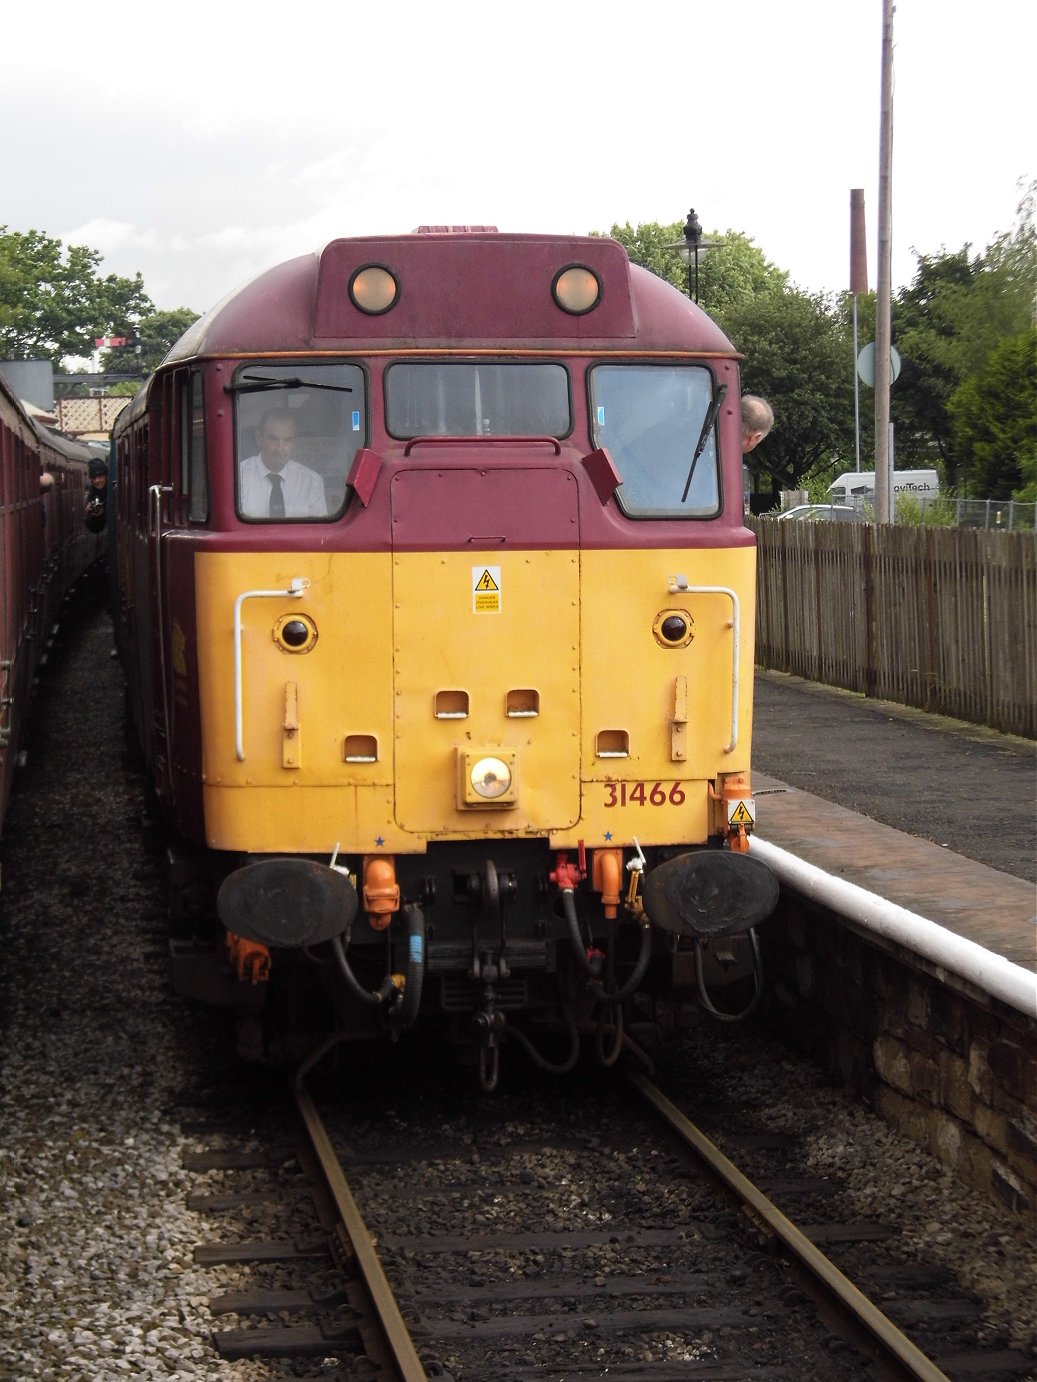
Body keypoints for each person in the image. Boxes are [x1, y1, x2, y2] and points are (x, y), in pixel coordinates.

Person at [239, 409, 327, 519]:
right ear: (259, 438)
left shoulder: (311, 481)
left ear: (294, 442)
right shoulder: (239, 478)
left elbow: (318, 533)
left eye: (287, 440)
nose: (280, 449)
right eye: (273, 439)